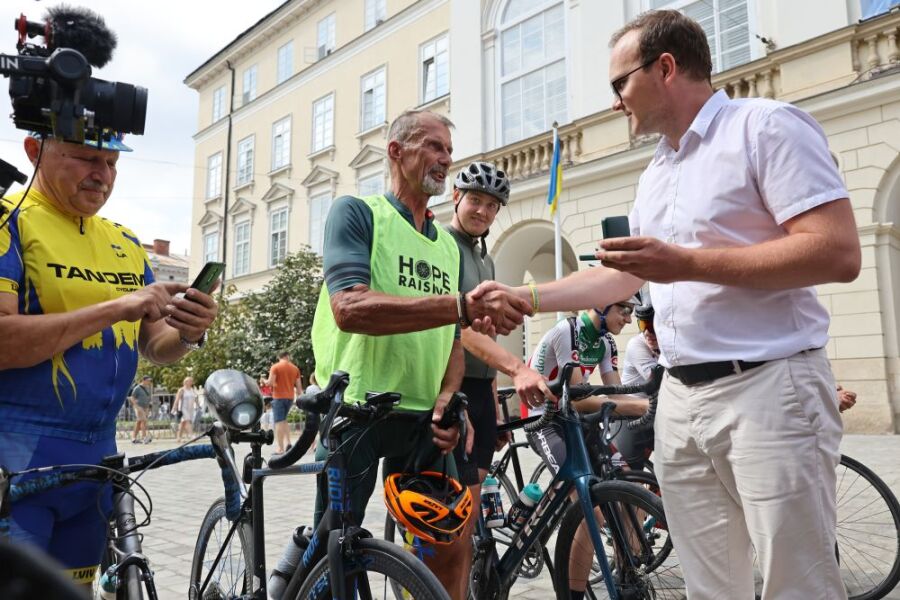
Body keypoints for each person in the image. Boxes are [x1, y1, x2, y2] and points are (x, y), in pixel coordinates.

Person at [472, 9, 861, 598]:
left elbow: (836, 253)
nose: (613, 103)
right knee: (708, 586)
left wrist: (685, 263)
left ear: (666, 68)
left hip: (769, 390)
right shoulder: (656, 172)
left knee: (797, 583)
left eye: (619, 84)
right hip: (679, 399)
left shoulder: (766, 126)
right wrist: (525, 295)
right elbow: (618, 279)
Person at [310, 109, 530, 600]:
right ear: (396, 151)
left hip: (423, 422)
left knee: (445, 546)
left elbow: (452, 338)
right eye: (433, 146)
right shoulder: (357, 213)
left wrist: (450, 396)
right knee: (339, 555)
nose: (444, 158)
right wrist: (457, 305)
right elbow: (349, 307)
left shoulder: (447, 248)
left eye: (448, 150)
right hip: (357, 410)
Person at [0, 129, 218, 589]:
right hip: (17, 458)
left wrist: (190, 331)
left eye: (113, 164)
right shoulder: (8, 219)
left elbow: (155, 344)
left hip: (97, 459)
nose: (102, 176)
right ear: (34, 151)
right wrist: (118, 306)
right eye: (85, 159)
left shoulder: (123, 240)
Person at [442, 161, 553, 583]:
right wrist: (517, 366)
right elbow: (457, 331)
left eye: (492, 206)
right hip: (451, 388)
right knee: (456, 517)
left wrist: (494, 398)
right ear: (457, 198)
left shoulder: (485, 260)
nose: (483, 212)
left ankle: (469, 586)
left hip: (481, 390)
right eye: (475, 201)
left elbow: (482, 333)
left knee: (471, 520)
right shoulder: (443, 247)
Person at [267, 351, 302, 454]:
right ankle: (288, 444)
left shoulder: (275, 367)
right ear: (287, 356)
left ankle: (280, 448)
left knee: (279, 422)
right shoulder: (295, 368)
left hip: (278, 397)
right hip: (290, 398)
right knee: (284, 420)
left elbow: (271, 382)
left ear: (279, 357)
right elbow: (299, 389)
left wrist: (264, 381)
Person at [173, 376, 199, 443]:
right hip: (183, 408)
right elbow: (177, 399)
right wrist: (174, 407)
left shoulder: (192, 389)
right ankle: (191, 436)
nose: (191, 382)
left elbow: (195, 398)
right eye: (189, 381)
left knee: (183, 423)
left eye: (191, 381)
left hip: (190, 408)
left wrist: (198, 405)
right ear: (185, 382)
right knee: (187, 421)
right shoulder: (182, 390)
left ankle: (178, 438)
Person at [130, 375, 154, 444]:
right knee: (144, 421)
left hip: (145, 407)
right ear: (143, 380)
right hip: (139, 406)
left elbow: (148, 398)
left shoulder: (148, 388)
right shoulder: (137, 388)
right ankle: (144, 437)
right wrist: (137, 407)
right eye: (148, 380)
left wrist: (149, 407)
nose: (149, 382)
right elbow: (132, 398)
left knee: (139, 422)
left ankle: (133, 438)